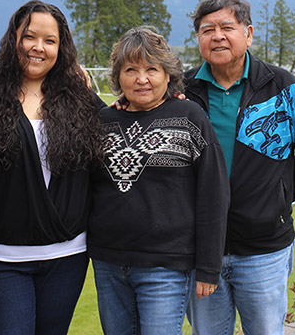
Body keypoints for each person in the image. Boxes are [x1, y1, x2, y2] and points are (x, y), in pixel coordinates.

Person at [184, 0, 295, 335]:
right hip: (201, 248)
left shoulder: (283, 87)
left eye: (226, 27)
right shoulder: (182, 91)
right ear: (198, 39)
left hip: (264, 248)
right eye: (207, 29)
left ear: (248, 34)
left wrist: (281, 193)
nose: (217, 36)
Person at [88, 26, 230, 335]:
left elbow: (213, 195)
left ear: (168, 74)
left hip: (166, 266)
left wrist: (208, 266)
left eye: (151, 69)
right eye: (131, 70)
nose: (141, 79)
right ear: (118, 76)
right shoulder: (103, 123)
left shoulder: (190, 117)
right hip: (109, 262)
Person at [0, 0, 105, 335]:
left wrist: (171, 100)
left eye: (50, 40)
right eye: (29, 36)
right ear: (13, 39)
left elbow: (127, 119)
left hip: (67, 258)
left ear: (62, 49)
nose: (38, 47)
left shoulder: (80, 99)